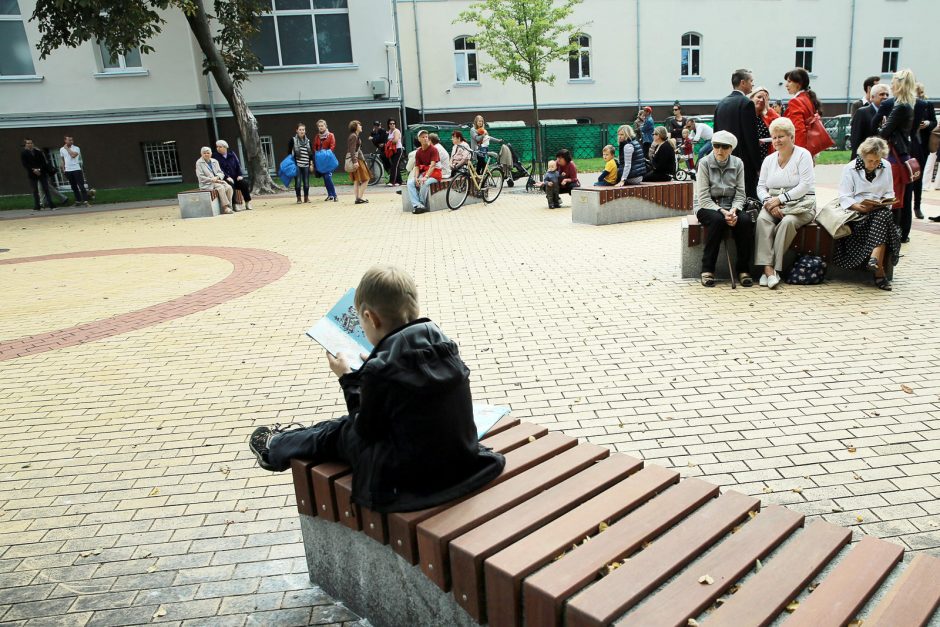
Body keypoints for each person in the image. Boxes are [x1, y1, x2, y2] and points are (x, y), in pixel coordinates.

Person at [248, 265, 505, 513]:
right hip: (459, 461)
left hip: (407, 480)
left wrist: (348, 379)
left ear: (370, 317)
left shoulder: (379, 370)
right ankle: (284, 441)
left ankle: (274, 448)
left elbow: (365, 431)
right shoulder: (444, 344)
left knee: (340, 432)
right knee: (339, 427)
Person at [829, 137, 900, 290]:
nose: (873, 164)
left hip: (878, 211)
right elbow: (844, 196)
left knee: (883, 215)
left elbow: (889, 191)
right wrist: (859, 206)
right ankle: (878, 271)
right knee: (885, 220)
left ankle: (875, 262)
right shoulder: (850, 168)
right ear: (862, 156)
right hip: (857, 214)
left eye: (877, 161)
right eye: (870, 161)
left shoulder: (886, 166)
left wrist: (885, 202)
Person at [755, 117, 817, 289]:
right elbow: (761, 187)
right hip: (773, 202)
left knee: (787, 222)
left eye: (781, 136)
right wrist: (769, 202)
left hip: (801, 204)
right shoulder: (769, 160)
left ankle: (772, 269)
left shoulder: (803, 155)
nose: (776, 141)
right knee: (763, 220)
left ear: (791, 137)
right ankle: (768, 270)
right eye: (774, 137)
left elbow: (805, 185)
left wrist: (780, 199)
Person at [694, 130, 754, 287]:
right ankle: (707, 269)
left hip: (731, 205)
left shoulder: (738, 163)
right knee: (717, 221)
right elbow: (703, 198)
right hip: (707, 205)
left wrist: (734, 211)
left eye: (725, 147)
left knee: (746, 221)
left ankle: (743, 269)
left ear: (731, 149)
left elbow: (741, 193)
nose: (720, 150)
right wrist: (723, 212)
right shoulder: (704, 163)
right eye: (716, 146)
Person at [873, 68, 917, 242]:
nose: (891, 86)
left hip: (895, 157)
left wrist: (881, 128)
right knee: (900, 197)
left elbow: (885, 131)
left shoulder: (900, 107)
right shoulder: (909, 104)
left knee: (895, 198)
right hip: (902, 154)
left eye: (893, 83)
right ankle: (898, 235)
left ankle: (893, 236)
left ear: (899, 84)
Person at [714, 68, 762, 198]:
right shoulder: (746, 104)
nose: (753, 84)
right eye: (751, 81)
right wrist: (758, 165)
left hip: (723, 159)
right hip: (743, 161)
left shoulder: (721, 104)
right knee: (746, 197)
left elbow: (716, 135)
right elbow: (750, 137)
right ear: (743, 82)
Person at [911, 83, 937, 219]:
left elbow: (934, 122)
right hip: (909, 143)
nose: (918, 96)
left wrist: (927, 124)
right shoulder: (907, 104)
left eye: (920, 93)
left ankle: (917, 206)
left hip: (922, 144)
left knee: (918, 176)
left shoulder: (927, 104)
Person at [783, 67, 823, 152]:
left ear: (799, 84)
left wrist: (799, 154)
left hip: (799, 148)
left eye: (789, 81)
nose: (786, 85)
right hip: (809, 147)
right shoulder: (808, 98)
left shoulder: (795, 101)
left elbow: (798, 130)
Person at [850, 83, 889, 160]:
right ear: (872, 97)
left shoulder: (889, 114)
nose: (885, 97)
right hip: (866, 158)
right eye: (882, 94)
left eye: (887, 95)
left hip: (882, 158)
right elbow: (855, 138)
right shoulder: (862, 112)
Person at [212, 140, 252, 211]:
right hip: (225, 178)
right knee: (230, 185)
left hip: (235, 177)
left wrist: (240, 175)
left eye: (220, 147)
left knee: (244, 183)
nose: (218, 148)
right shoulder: (215, 156)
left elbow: (238, 165)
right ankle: (234, 204)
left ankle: (247, 202)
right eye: (217, 147)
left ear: (225, 147)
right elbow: (219, 169)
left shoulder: (232, 154)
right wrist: (227, 177)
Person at [407, 130, 440, 214]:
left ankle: (421, 203)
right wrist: (416, 178)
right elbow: (417, 166)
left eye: (426, 137)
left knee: (425, 183)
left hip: (435, 174)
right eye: (423, 137)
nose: (425, 138)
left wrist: (426, 177)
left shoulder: (433, 149)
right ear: (419, 139)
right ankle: (417, 205)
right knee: (410, 183)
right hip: (425, 173)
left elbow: (433, 165)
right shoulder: (418, 152)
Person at [195, 146, 234, 214]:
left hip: (217, 181)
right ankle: (225, 208)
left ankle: (229, 206)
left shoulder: (215, 161)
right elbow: (200, 176)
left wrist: (217, 177)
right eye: (204, 153)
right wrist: (211, 179)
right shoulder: (199, 163)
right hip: (206, 184)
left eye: (208, 153)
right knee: (220, 187)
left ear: (211, 153)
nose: (206, 154)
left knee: (229, 187)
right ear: (201, 154)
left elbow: (221, 172)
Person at [21, 139, 56, 211]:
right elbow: (25, 164)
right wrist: (33, 170)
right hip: (32, 174)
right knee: (35, 190)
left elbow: (43, 162)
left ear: (33, 144)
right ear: (26, 145)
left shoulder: (38, 152)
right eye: (28, 143)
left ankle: (51, 205)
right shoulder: (24, 153)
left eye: (31, 143)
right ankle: (37, 206)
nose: (30, 144)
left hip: (41, 173)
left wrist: (39, 169)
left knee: (46, 189)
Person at [59, 135, 89, 207]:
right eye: (69, 140)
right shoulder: (61, 149)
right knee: (73, 186)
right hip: (68, 170)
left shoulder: (76, 148)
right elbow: (63, 159)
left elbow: (73, 155)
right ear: (65, 141)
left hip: (76, 169)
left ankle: (85, 201)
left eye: (72, 140)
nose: (71, 141)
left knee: (81, 185)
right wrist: (63, 168)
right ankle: (78, 201)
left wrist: (67, 148)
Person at [750, 86, 779, 159]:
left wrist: (768, 108)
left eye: (765, 99)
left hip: (767, 157)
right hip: (750, 158)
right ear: (752, 98)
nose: (761, 100)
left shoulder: (766, 118)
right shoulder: (746, 116)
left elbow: (781, 125)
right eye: (759, 97)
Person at [287, 123, 313, 203]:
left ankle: (306, 197)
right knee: (298, 182)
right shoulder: (293, 140)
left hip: (306, 164)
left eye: (303, 130)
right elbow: (289, 153)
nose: (302, 131)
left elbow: (311, 154)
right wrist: (291, 163)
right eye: (300, 130)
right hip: (297, 164)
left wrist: (311, 164)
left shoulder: (308, 141)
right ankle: (298, 198)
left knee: (306, 182)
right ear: (297, 131)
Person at [313, 119, 338, 202]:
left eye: (322, 126)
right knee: (325, 178)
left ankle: (334, 195)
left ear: (325, 126)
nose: (320, 127)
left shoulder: (330, 135)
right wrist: (317, 153)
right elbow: (315, 147)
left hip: (328, 159)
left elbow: (332, 146)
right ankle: (330, 195)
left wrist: (325, 153)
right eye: (319, 126)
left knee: (328, 176)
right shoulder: (317, 137)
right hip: (320, 160)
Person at [346, 120, 369, 204]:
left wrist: (363, 160)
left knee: (356, 180)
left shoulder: (355, 136)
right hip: (356, 160)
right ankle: (359, 198)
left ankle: (357, 198)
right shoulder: (354, 136)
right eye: (359, 125)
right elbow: (352, 150)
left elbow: (358, 150)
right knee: (366, 179)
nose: (361, 127)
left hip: (357, 159)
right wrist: (355, 162)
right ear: (355, 127)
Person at [385, 119, 404, 187]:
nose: (392, 125)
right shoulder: (390, 131)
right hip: (392, 150)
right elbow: (391, 140)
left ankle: (392, 181)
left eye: (393, 123)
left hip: (398, 150)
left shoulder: (396, 131)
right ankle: (399, 181)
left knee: (394, 166)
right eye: (390, 123)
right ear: (388, 125)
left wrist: (389, 141)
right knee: (396, 166)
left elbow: (395, 140)